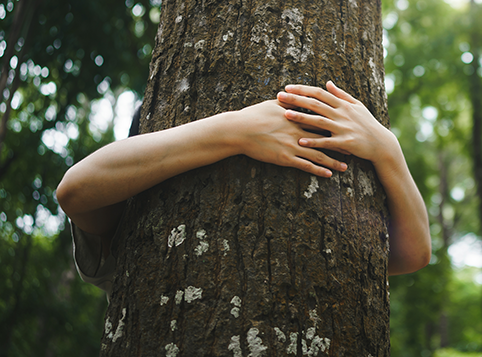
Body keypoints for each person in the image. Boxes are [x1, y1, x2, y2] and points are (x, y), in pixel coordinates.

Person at [56, 81, 431, 296]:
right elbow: (73, 190)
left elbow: (413, 253)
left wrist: (388, 150)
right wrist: (235, 131)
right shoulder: (122, 232)